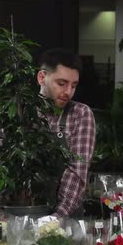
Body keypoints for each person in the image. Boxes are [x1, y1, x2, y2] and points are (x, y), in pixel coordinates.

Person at [37, 48, 96, 216]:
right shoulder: (16, 112)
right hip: (19, 213)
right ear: (42, 77)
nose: (68, 92)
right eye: (61, 83)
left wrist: (56, 219)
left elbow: (77, 171)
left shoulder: (80, 114)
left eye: (74, 86)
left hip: (66, 219)